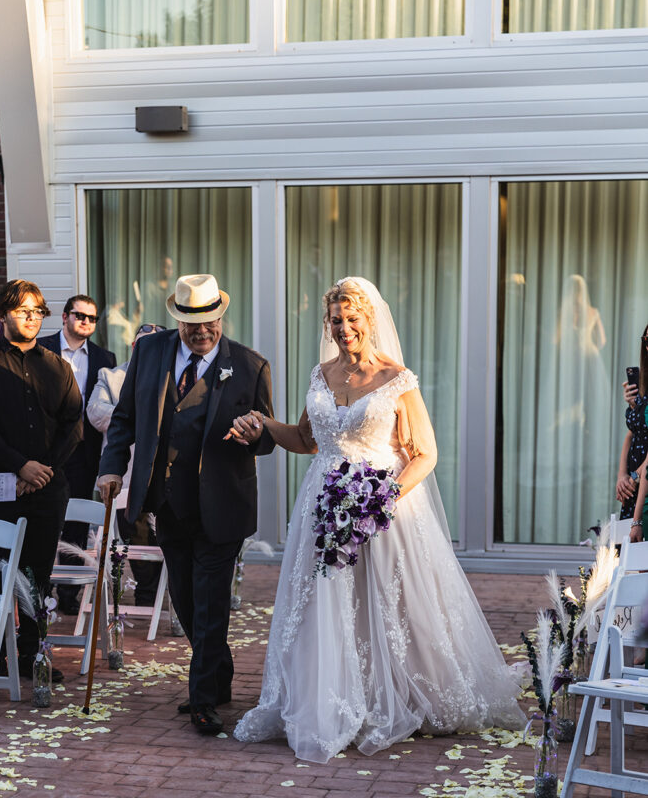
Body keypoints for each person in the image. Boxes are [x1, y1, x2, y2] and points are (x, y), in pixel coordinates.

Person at [230, 277, 525, 764]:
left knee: (389, 606)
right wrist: (262, 424)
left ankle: (400, 696)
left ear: (370, 321)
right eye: (336, 321)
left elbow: (425, 454)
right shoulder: (321, 375)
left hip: (382, 508)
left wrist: (379, 498)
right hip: (323, 505)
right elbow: (306, 440)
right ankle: (330, 698)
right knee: (325, 603)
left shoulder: (397, 379)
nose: (344, 329)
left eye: (352, 320)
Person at [96, 274, 274, 735]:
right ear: (178, 320)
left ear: (221, 316)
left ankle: (201, 701)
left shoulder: (251, 366)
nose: (202, 332)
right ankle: (219, 679)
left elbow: (267, 438)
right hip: (167, 504)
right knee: (186, 599)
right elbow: (125, 419)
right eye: (192, 325)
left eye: (209, 322)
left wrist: (257, 436)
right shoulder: (151, 354)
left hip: (222, 505)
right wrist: (111, 467)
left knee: (211, 604)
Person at [0, 279, 83, 679]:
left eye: (37, 312)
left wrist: (39, 471)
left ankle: (34, 654)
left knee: (37, 573)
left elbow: (74, 426)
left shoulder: (58, 367)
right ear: (2, 314)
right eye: (22, 311)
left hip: (46, 490)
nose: (31, 318)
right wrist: (19, 465)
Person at [39, 295, 116, 614]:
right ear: (65, 316)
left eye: (92, 318)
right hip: (43, 450)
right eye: (79, 315)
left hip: (84, 450)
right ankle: (40, 587)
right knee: (42, 519)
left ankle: (69, 595)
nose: (85, 321)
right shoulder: (40, 349)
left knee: (77, 522)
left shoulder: (104, 357)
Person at [87, 323, 165, 605]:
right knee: (137, 535)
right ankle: (147, 594)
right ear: (133, 347)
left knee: (166, 537)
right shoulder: (111, 375)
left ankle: (166, 594)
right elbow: (96, 412)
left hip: (164, 474)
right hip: (128, 474)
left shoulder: (173, 376)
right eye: (139, 345)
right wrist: (136, 418)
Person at [617, 324, 648, 531]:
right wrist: (622, 475)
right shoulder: (645, 383)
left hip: (644, 482)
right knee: (629, 556)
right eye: (647, 340)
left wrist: (635, 477)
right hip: (635, 483)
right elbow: (632, 434)